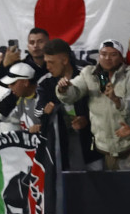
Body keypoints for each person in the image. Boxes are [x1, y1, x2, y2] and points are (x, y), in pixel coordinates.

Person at [56, 39, 130, 170]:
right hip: (103, 149)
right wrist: (64, 90)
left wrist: (117, 100)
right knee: (109, 189)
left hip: (127, 147)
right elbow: (74, 92)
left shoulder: (128, 75)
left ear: (121, 57)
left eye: (113, 55)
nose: (107, 58)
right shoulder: (89, 73)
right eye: (103, 54)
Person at [37, 39, 101, 170]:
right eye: (46, 62)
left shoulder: (88, 73)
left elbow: (102, 103)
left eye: (51, 62)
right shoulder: (45, 82)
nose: (47, 66)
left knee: (98, 180)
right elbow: (37, 110)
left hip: (93, 141)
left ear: (64, 60)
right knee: (68, 183)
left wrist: (87, 119)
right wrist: (46, 110)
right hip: (61, 142)